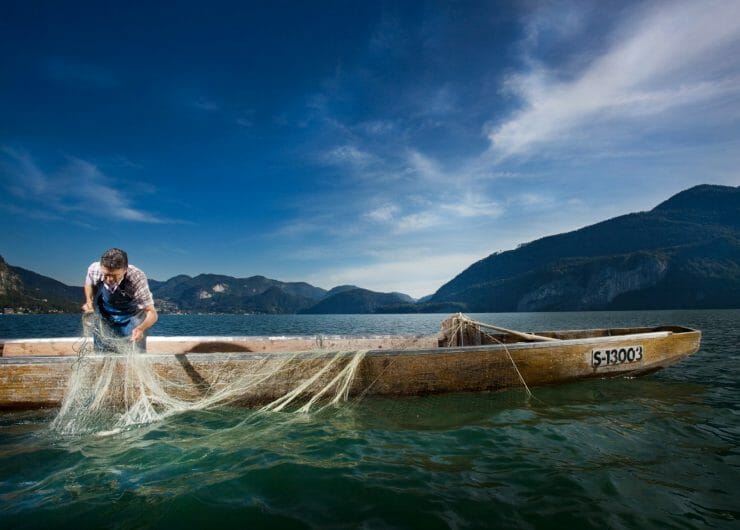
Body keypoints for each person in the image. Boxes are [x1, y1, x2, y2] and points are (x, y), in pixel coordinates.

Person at [82, 248, 158, 352]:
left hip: (131, 317)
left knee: (133, 351)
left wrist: (141, 328)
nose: (109, 279)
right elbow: (88, 284)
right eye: (106, 274)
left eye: (114, 275)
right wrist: (89, 302)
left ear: (125, 269)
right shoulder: (94, 269)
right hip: (104, 315)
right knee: (101, 353)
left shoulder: (137, 277)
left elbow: (152, 313)